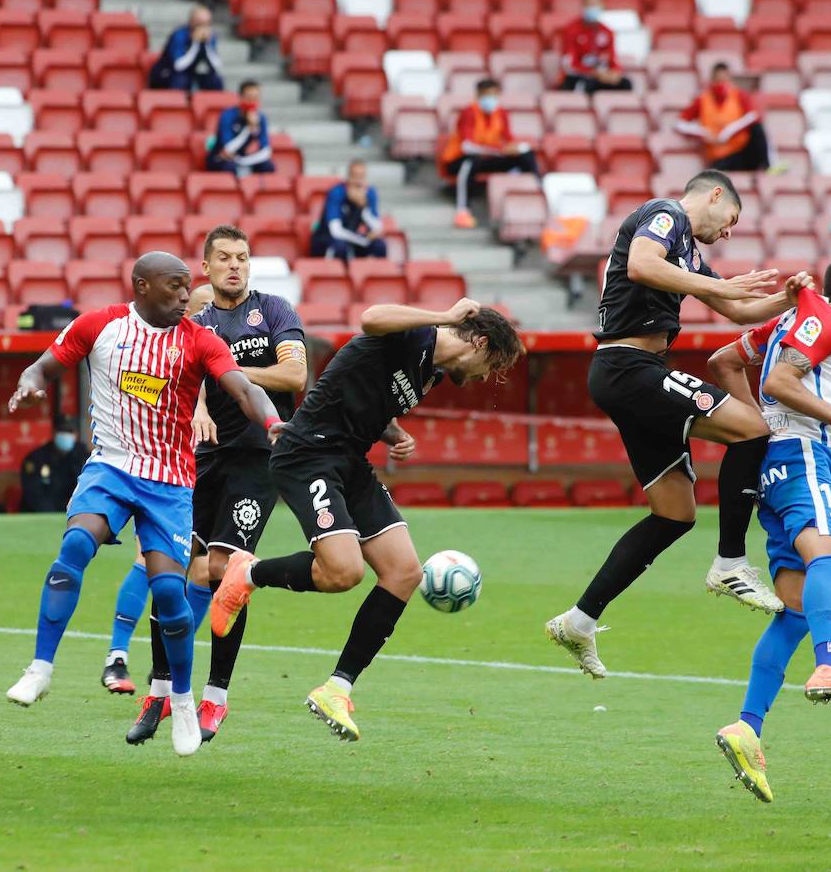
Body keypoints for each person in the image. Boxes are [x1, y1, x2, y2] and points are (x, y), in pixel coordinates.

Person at [3, 252, 281, 758]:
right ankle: (40, 668)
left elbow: (242, 387)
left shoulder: (199, 340)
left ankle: (179, 698)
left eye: (186, 287)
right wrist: (30, 382)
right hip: (109, 468)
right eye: (174, 287)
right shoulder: (100, 325)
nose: (184, 296)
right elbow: (45, 364)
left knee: (171, 597)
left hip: (170, 482)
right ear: (141, 287)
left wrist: (273, 422)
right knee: (74, 550)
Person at [207, 301, 524, 741]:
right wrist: (445, 316)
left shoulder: (430, 372)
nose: (485, 378)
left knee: (404, 572)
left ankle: (336, 688)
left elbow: (365, 391)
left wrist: (392, 431)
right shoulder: (417, 334)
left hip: (349, 461)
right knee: (344, 572)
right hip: (308, 453)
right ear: (480, 342)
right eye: (491, 366)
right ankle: (249, 572)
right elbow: (370, 317)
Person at [544, 171, 815, 679]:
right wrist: (715, 283)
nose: (729, 231)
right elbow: (643, 266)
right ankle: (731, 562)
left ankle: (579, 621)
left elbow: (736, 309)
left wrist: (787, 299)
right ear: (715, 195)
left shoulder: (689, 251)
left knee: (673, 514)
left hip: (628, 372)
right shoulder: (664, 215)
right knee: (752, 429)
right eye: (731, 218)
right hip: (630, 367)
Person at [706, 252, 831, 803]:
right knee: (828, 559)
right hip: (806, 456)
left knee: (792, 611)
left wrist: (761, 427)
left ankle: (746, 727)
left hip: (773, 465)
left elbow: (723, 362)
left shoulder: (787, 319)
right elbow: (787, 379)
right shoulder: (830, 321)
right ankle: (830, 665)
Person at [128, 225, 307, 746]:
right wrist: (202, 401)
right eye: (224, 258)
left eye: (243, 257)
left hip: (258, 456)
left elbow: (294, 377)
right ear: (204, 269)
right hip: (200, 460)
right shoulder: (194, 323)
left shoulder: (275, 310)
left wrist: (225, 369)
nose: (235, 265)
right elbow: (184, 380)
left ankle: (216, 697)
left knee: (226, 570)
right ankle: (160, 691)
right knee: (172, 569)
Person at [100, 285, 215, 697]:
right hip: (165, 469)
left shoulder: (218, 347)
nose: (199, 316)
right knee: (150, 559)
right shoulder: (167, 346)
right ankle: (116, 657)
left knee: (203, 566)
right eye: (198, 308)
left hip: (214, 467)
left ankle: (164, 664)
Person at [437, 78, 541, 230]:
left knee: (526, 155)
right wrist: (499, 150)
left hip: (488, 158)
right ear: (478, 95)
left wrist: (517, 148)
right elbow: (467, 146)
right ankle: (462, 210)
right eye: (487, 95)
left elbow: (508, 138)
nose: (490, 99)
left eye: (494, 95)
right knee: (470, 161)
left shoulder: (501, 113)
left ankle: (535, 195)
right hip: (459, 160)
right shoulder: (469, 113)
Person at [674, 63, 774, 173]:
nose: (722, 84)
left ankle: (769, 167)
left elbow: (752, 118)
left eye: (724, 80)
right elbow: (680, 123)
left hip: (741, 152)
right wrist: (704, 134)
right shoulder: (702, 100)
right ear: (712, 79)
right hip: (719, 157)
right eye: (718, 80)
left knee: (757, 129)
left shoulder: (739, 96)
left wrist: (727, 133)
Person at [309, 160, 388, 262]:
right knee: (341, 247)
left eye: (362, 177)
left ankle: (375, 275)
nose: (358, 181)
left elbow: (377, 227)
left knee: (379, 245)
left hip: (353, 238)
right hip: (328, 238)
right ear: (348, 177)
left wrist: (363, 207)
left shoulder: (369, 193)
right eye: (355, 176)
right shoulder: (337, 192)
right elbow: (335, 231)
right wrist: (361, 240)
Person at [558, 0, 633, 93]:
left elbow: (613, 60)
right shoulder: (571, 30)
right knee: (589, 85)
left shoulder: (607, 32)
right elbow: (570, 64)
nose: (592, 7)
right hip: (578, 77)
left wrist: (614, 73)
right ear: (583, 6)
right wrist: (593, 73)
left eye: (595, 4)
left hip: (601, 77)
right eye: (589, 4)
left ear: (602, 5)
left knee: (625, 84)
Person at [19, 414, 89, 513]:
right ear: (54, 433)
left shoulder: (85, 457)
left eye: (69, 432)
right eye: (62, 431)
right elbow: (33, 493)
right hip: (41, 515)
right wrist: (51, 514)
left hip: (75, 512)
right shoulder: (37, 458)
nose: (65, 435)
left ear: (76, 434)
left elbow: (87, 490)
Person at [149, 5, 224, 93]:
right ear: (191, 21)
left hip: (190, 72)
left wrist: (207, 45)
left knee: (215, 80)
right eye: (200, 23)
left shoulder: (210, 36)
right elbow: (179, 65)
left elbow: (216, 65)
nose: (204, 27)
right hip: (167, 73)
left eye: (207, 23)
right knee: (181, 80)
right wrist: (195, 44)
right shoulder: (179, 35)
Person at [207, 80, 274, 176]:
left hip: (243, 158)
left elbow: (266, 150)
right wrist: (249, 129)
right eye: (249, 97)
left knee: (268, 166)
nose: (252, 101)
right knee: (229, 167)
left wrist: (244, 161)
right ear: (241, 97)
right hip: (221, 157)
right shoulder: (227, 115)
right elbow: (228, 149)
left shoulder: (261, 118)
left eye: (256, 97)